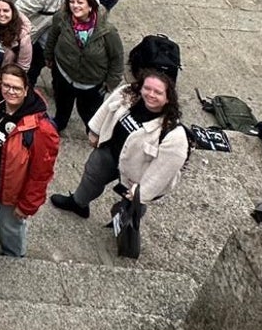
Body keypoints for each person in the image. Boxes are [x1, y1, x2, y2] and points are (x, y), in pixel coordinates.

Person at [49, 71, 189, 222]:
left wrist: (142, 192)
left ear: (168, 98)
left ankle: (123, 227)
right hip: (111, 151)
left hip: (139, 174)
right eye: (147, 88)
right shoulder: (128, 94)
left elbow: (163, 171)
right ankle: (78, 204)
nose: (151, 94)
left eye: (158, 92)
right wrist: (95, 130)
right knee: (91, 175)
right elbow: (107, 107)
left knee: (133, 206)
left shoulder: (174, 134)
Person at [0, 65, 60, 257]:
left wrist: (27, 205)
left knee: (10, 225)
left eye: (16, 88)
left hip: (13, 190)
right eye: (6, 85)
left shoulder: (41, 129)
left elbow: (41, 174)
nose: (10, 92)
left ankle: (13, 255)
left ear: (26, 89)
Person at [44, 0, 125, 131]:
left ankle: (92, 132)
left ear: (90, 6)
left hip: (91, 83)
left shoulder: (108, 31)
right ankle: (59, 123)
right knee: (62, 105)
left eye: (80, 2)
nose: (75, 6)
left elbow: (117, 59)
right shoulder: (61, 18)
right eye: (72, 2)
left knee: (90, 114)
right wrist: (48, 56)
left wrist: (111, 83)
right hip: (64, 75)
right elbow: (52, 37)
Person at [15, 0, 98, 83]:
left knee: (61, 81)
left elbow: (97, 18)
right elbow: (18, 8)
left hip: (70, 50)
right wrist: (26, 29)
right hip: (43, 45)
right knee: (29, 76)